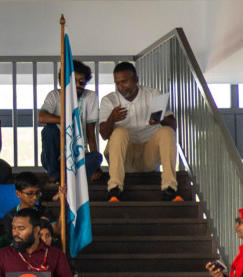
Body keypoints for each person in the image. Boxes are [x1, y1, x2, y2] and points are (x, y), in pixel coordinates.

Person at [99, 60, 179, 201]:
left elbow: (172, 125)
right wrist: (112, 118)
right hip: (124, 158)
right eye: (117, 83)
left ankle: (169, 188)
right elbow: (104, 135)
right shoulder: (109, 100)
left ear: (136, 79)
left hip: (149, 156)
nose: (120, 87)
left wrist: (160, 119)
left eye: (124, 81)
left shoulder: (154, 94)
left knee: (167, 131)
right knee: (119, 132)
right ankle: (114, 189)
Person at [38, 58, 101, 177]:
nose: (78, 85)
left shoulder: (90, 97)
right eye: (74, 81)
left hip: (78, 157)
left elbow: (90, 134)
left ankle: (67, 180)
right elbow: (42, 117)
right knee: (49, 129)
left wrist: (96, 167)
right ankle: (55, 176)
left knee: (96, 157)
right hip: (55, 158)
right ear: (63, 82)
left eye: (81, 82)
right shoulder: (55, 95)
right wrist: (65, 120)